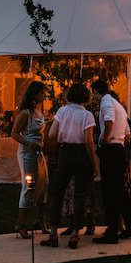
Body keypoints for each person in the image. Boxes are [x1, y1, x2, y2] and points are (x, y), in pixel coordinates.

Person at [41, 83, 99, 249]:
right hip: (81, 154)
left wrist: (60, 139)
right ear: (86, 97)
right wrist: (94, 164)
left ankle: (53, 233)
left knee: (57, 192)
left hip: (64, 151)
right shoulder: (88, 115)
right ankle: (75, 235)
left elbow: (51, 134)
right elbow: (88, 141)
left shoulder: (62, 111)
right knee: (80, 194)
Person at [91, 78, 131, 244]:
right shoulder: (119, 105)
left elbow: (109, 120)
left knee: (110, 192)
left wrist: (105, 138)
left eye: (94, 95)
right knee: (122, 191)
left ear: (96, 91)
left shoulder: (106, 102)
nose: (94, 98)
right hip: (120, 149)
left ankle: (112, 232)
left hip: (110, 149)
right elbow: (128, 134)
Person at [11, 81, 48, 239]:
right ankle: (20, 224)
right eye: (42, 93)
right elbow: (14, 133)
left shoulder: (38, 112)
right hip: (27, 153)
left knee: (44, 184)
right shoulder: (25, 113)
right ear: (34, 94)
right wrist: (29, 143)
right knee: (28, 186)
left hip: (39, 153)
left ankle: (40, 220)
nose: (44, 95)